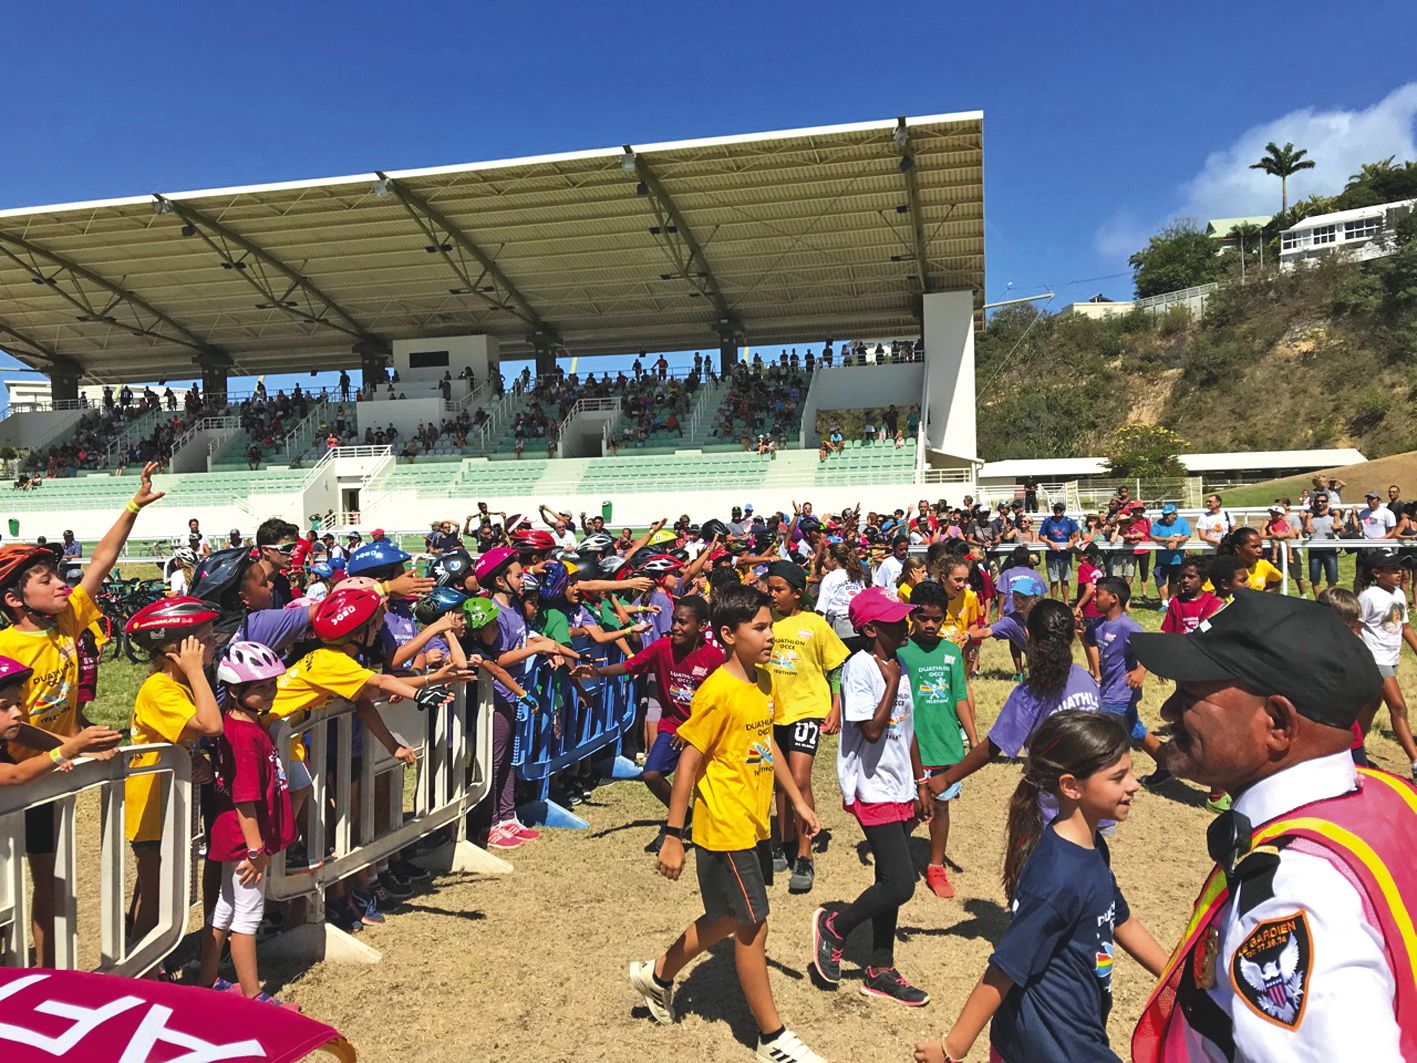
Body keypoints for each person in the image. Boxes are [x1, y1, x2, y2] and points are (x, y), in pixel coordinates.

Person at [1129, 591, 1417, 1061]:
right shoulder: (1388, 796)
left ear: (1279, 722)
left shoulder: (1292, 891)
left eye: (1192, 693)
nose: (1168, 712)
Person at [629, 583, 826, 1063]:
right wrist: (674, 837)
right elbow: (688, 765)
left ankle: (655, 974)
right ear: (728, 635)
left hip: (755, 824)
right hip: (724, 827)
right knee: (752, 925)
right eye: (759, 628)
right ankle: (772, 1038)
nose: (769, 636)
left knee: (724, 917)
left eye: (770, 627)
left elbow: (767, 744)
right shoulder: (718, 690)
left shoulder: (762, 681)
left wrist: (798, 802)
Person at [916, 712, 1166, 1063]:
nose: (1134, 784)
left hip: (1079, 1028)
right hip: (1049, 1044)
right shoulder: (1056, 877)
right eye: (1118, 777)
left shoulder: (1093, 848)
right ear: (1071, 787)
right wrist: (952, 1048)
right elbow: (1004, 968)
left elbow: (1122, 921)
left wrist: (1176, 976)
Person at [0, 461, 163, 966]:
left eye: (56, 577)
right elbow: (12, 720)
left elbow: (100, 562)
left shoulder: (67, 620)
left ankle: (46, 975)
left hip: (47, 778)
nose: (59, 585)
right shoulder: (6, 647)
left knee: (47, 883)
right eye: (45, 580)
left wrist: (133, 506)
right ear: (13, 599)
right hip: (13, 776)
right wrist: (63, 747)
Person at [811, 586, 930, 1006]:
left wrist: (921, 782)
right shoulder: (860, 668)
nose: (907, 625)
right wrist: (890, 681)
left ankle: (880, 968)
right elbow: (873, 730)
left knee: (888, 879)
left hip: (899, 784)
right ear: (871, 629)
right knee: (900, 883)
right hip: (871, 784)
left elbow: (907, 727)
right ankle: (835, 927)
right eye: (897, 620)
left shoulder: (897, 663)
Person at [928, 600, 1102, 812]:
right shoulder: (1086, 680)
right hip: (1093, 802)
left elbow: (991, 748)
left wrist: (947, 779)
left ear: (1028, 635)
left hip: (1054, 810)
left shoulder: (1030, 693)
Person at [196, 642, 297, 1004]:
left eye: (272, 684)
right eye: (260, 687)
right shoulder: (246, 738)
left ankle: (207, 978)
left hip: (233, 836)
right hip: (245, 842)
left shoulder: (235, 726)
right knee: (248, 916)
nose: (270, 692)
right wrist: (256, 850)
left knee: (225, 906)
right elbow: (244, 798)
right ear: (235, 691)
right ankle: (252, 994)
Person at [123, 597, 225, 952]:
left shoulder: (179, 686)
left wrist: (205, 761)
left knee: (157, 893)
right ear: (173, 649)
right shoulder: (160, 689)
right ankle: (140, 970)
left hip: (170, 806)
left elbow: (198, 738)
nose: (214, 644)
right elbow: (211, 724)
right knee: (155, 900)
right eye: (205, 639)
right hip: (153, 812)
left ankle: (149, 962)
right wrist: (197, 671)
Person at [587, 596, 722, 854]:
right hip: (672, 726)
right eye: (674, 621)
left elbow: (720, 701)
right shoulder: (662, 648)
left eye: (683, 622)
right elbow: (630, 665)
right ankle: (682, 815)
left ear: (702, 625)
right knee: (651, 774)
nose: (676, 627)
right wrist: (598, 672)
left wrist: (694, 727)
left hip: (702, 727)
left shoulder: (714, 658)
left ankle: (701, 824)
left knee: (704, 781)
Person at [764, 560, 848, 894]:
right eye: (769, 588)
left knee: (799, 780)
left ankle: (804, 853)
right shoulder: (764, 622)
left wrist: (837, 707)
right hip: (773, 713)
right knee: (779, 783)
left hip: (807, 709)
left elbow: (838, 668)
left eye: (779, 589)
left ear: (797, 593)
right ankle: (782, 842)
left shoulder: (814, 625)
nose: (772, 595)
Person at [898, 580, 976, 899]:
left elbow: (959, 695)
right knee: (915, 806)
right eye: (923, 618)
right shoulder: (901, 651)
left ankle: (935, 866)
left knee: (941, 808)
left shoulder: (950, 652)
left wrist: (972, 736)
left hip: (946, 744)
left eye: (937, 618)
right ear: (911, 616)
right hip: (914, 746)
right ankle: (897, 856)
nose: (930, 625)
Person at [1089, 577, 1171, 788]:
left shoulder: (1127, 626)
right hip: (1108, 689)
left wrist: (1141, 671)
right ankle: (1167, 763)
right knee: (1135, 729)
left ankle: (1109, 780)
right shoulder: (1099, 625)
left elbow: (1150, 649)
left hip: (1121, 692)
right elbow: (1088, 640)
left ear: (1114, 599)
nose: (1093, 597)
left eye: (1098, 593)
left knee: (1107, 736)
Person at [1356, 548, 1417, 777]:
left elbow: (1405, 628)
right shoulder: (1369, 596)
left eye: (1400, 568)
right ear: (1376, 573)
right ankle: (1415, 762)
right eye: (1393, 569)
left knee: (1370, 708)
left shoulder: (1399, 595)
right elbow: (1356, 629)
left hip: (1391, 659)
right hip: (1375, 659)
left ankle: (1353, 753)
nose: (1399, 573)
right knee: (1399, 706)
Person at [1159, 558, 1221, 634]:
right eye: (1183, 576)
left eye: (1191, 577)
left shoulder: (1212, 602)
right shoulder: (1176, 602)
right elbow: (1168, 632)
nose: (1185, 580)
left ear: (1203, 580)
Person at [1149, 504, 1192, 610]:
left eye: (1168, 515)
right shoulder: (1158, 523)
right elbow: (1153, 536)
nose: (1166, 517)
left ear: (1175, 514)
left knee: (1175, 581)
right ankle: (1164, 603)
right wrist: (1167, 540)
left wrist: (1176, 541)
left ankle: (1172, 601)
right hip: (1162, 559)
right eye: (1164, 515)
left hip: (1177, 559)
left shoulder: (1182, 522)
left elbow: (1186, 535)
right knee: (1160, 578)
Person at [1302, 491, 1342, 597]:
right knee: (1315, 579)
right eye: (1318, 501)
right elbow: (1304, 532)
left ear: (1327, 502)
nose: (1320, 503)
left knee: (1332, 579)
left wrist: (1339, 528)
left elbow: (1343, 531)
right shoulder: (1310, 516)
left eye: (1323, 501)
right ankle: (1319, 602)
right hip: (1314, 551)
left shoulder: (1333, 515)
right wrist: (1307, 529)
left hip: (1330, 550)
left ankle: (1331, 600)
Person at [1038, 502, 1079, 601]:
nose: (1058, 511)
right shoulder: (1048, 521)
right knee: (1053, 580)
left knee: (1065, 580)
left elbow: (1076, 536)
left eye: (1060, 509)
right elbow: (1041, 536)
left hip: (1065, 555)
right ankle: (1054, 601)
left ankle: (1066, 602)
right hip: (1052, 556)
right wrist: (1050, 542)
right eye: (1056, 509)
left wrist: (1071, 541)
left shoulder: (1069, 521)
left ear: (1063, 511)